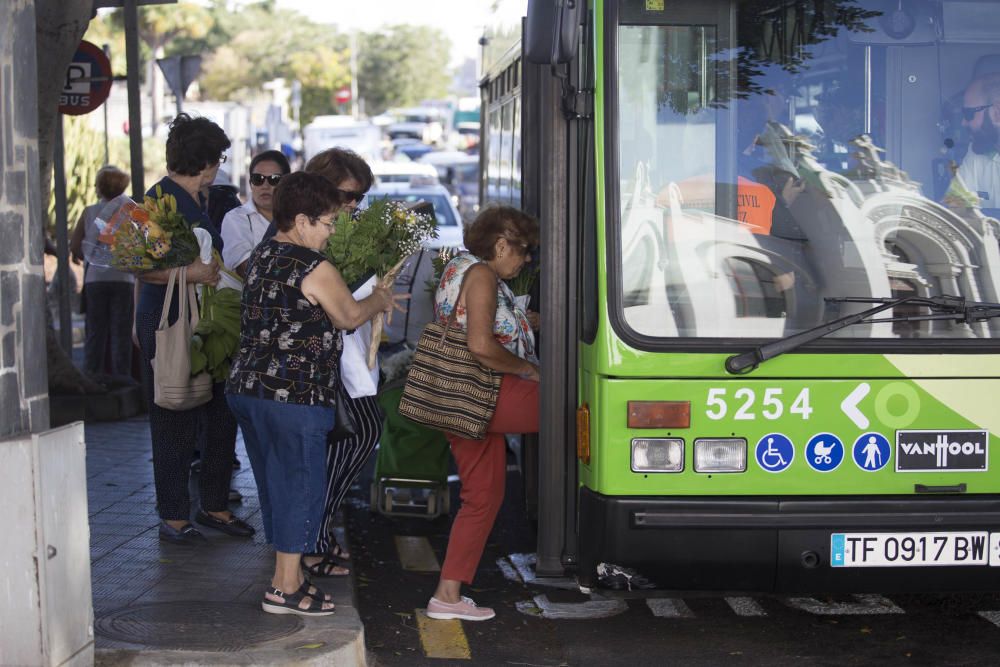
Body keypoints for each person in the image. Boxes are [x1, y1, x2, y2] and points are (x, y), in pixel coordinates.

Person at [225, 172, 400, 616]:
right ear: (302, 220)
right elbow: (348, 316)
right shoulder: (313, 266)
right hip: (294, 397)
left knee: (276, 486)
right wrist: (379, 301)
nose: (331, 231)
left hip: (248, 388)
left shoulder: (264, 253)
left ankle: (294, 577)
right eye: (326, 222)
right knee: (300, 487)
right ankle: (284, 589)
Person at [135, 113, 253, 545]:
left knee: (221, 413)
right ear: (205, 161)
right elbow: (143, 270)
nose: (219, 166)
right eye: (218, 157)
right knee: (174, 415)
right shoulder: (157, 203)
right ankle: (173, 516)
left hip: (210, 321)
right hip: (169, 321)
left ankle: (215, 505)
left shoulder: (209, 199)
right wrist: (196, 273)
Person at [426, 206, 540, 622]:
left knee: (483, 496)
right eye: (523, 250)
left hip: (458, 399)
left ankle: (447, 595)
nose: (526, 259)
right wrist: (528, 369)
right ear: (500, 244)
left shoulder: (461, 266)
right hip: (486, 391)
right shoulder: (481, 275)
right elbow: (479, 344)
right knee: (577, 408)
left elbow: (486, 324)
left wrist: (530, 323)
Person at [297, 148, 379, 579]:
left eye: (358, 199)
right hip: (319, 362)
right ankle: (312, 538)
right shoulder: (306, 238)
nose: (352, 207)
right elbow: (338, 309)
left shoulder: (339, 234)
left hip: (344, 355)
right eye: (346, 197)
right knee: (359, 432)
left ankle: (318, 532)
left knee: (356, 435)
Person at [70, 165, 135, 376]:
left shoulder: (89, 212)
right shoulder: (131, 211)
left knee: (95, 331)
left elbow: (75, 245)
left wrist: (92, 257)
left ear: (100, 188)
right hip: (124, 278)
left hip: (95, 279)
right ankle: (122, 377)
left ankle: (92, 375)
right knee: (121, 331)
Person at [262, 147, 371, 241]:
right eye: (347, 196)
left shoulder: (353, 221)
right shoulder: (288, 225)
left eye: (358, 197)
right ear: (319, 189)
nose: (354, 204)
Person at [221, 150, 291, 278]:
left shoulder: (298, 217)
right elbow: (246, 268)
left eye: (274, 179)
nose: (265, 186)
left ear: (287, 184)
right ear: (250, 184)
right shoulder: (236, 218)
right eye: (258, 179)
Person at [954, 73, 1000, 212]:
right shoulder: (976, 152)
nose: (963, 122)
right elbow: (955, 208)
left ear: (997, 112)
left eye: (969, 113)